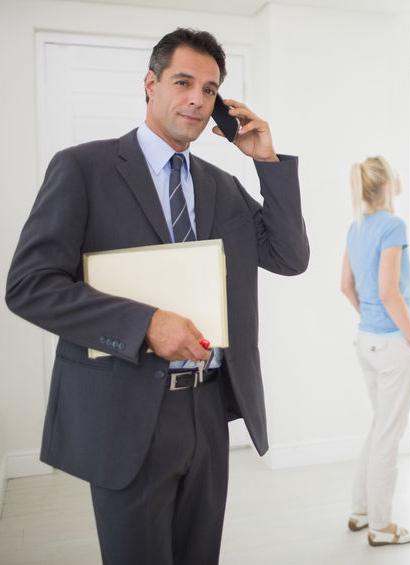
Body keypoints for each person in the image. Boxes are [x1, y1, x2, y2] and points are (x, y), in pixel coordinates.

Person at [6, 27, 309, 565]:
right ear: (151, 84)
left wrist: (265, 162)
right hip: (124, 412)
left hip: (208, 407)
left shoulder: (222, 185)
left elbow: (289, 257)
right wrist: (143, 324)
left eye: (210, 89)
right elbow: (30, 285)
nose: (197, 99)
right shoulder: (83, 168)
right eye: (183, 82)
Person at [340, 156, 410, 547]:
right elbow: (390, 292)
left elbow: (346, 286)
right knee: (388, 437)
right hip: (392, 346)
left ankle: (361, 511)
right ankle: (381, 526)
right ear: (389, 184)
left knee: (379, 429)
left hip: (366, 341)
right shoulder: (393, 226)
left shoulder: (356, 227)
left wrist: (370, 319)